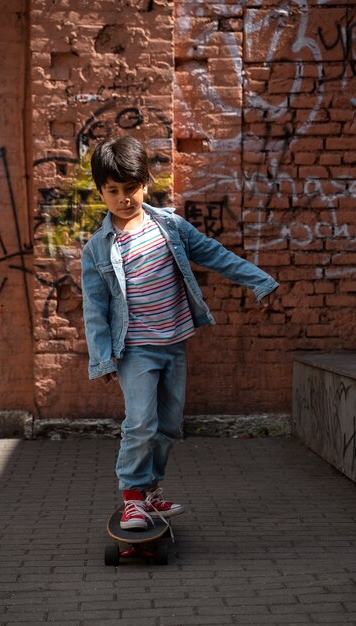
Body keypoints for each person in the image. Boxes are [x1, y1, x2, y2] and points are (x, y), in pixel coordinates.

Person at [81, 136, 279, 530]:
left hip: (174, 343)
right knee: (140, 423)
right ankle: (133, 497)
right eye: (113, 191)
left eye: (131, 188)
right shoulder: (98, 249)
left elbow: (215, 254)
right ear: (101, 192)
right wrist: (102, 358)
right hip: (135, 350)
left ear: (146, 183)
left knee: (169, 426)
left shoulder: (170, 226)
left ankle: (151, 491)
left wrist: (260, 281)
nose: (124, 199)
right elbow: (95, 310)